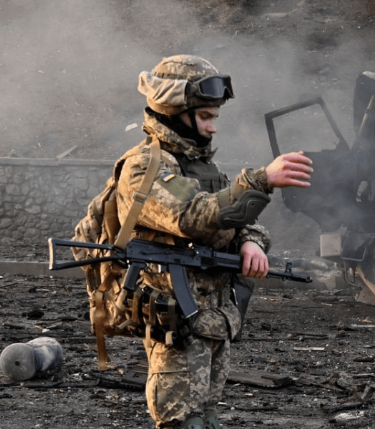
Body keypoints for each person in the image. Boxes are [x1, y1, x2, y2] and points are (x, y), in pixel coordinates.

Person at [126, 54, 313, 429]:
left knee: (207, 417)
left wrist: (251, 242)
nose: (212, 127)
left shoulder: (201, 167)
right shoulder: (145, 166)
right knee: (181, 421)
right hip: (176, 318)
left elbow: (239, 219)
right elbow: (192, 216)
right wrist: (259, 181)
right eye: (204, 116)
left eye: (215, 117)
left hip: (213, 317)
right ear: (173, 111)